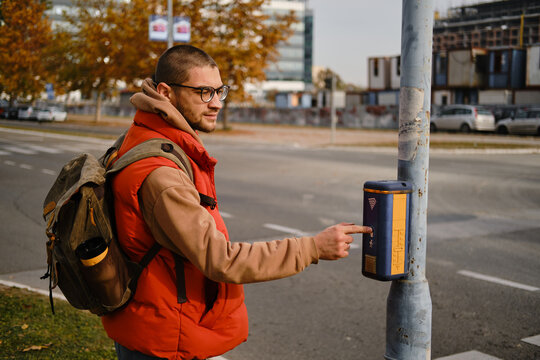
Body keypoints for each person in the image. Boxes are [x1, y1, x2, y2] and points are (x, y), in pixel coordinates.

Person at [102, 44, 372, 360]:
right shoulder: (161, 174)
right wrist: (312, 248)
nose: (216, 103)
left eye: (220, 91)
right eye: (204, 92)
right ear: (166, 92)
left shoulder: (146, 134)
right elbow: (221, 260)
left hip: (156, 325)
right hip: (164, 338)